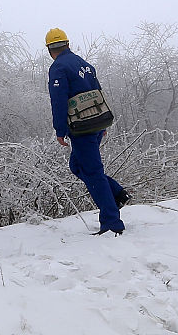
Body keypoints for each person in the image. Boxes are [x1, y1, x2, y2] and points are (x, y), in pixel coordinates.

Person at [45, 27, 129, 235]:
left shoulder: (58, 68)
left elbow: (58, 101)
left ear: (49, 49)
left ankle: (111, 222)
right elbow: (98, 93)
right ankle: (117, 194)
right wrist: (103, 124)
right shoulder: (86, 65)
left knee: (93, 172)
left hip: (81, 128)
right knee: (77, 165)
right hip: (96, 124)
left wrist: (60, 130)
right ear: (67, 44)